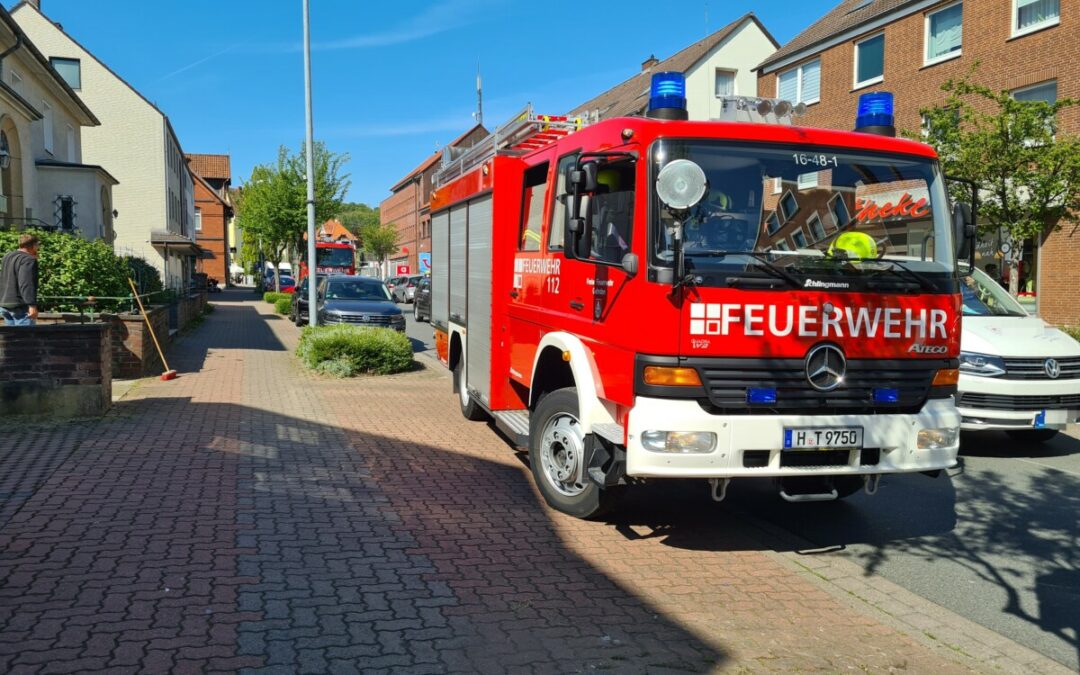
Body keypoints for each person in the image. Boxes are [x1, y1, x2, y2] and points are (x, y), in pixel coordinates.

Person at [0, 234, 40, 326]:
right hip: (20, 306)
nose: (38, 248)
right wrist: (31, 305)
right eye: (37, 245)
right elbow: (26, 282)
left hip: (5, 303)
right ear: (33, 245)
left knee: (12, 338)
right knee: (25, 338)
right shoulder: (28, 259)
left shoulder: (7, 256)